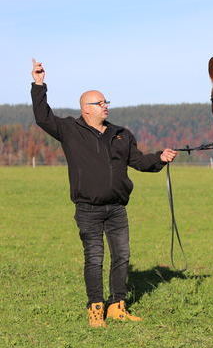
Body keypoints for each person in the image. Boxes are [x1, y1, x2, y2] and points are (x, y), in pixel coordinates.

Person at [30, 59, 177, 328]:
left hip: (117, 209)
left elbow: (140, 161)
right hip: (88, 209)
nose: (105, 105)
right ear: (86, 109)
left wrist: (161, 158)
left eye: (105, 101)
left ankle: (117, 306)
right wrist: (39, 84)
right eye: (99, 103)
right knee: (95, 258)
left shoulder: (121, 134)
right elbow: (42, 117)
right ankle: (96, 309)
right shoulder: (69, 130)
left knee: (122, 256)